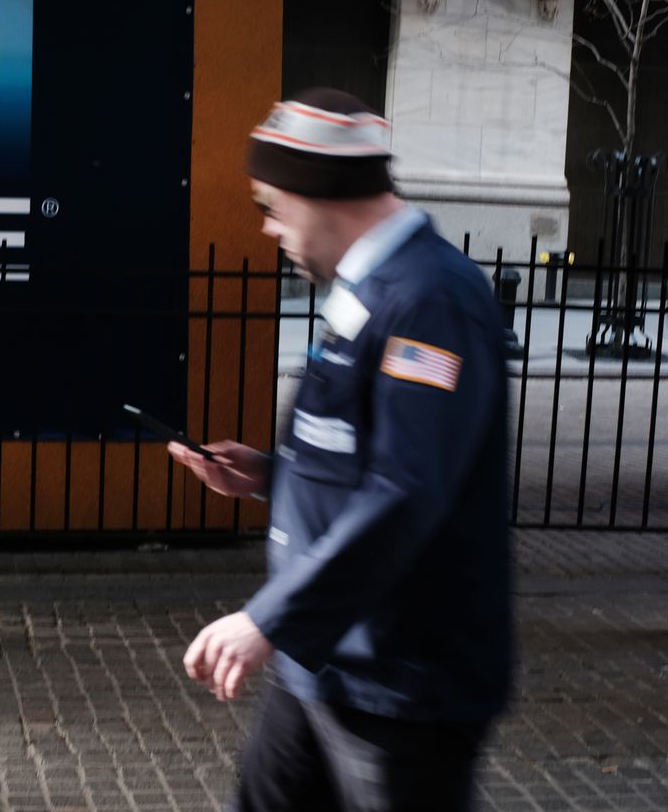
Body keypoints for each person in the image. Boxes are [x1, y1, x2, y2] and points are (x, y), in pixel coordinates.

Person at [169, 87, 511, 811]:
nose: (268, 227)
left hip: (403, 681)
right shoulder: (377, 284)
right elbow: (367, 452)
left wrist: (268, 618)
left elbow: (406, 489)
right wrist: (272, 474)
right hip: (325, 660)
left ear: (317, 192)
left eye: (271, 205)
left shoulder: (431, 298)